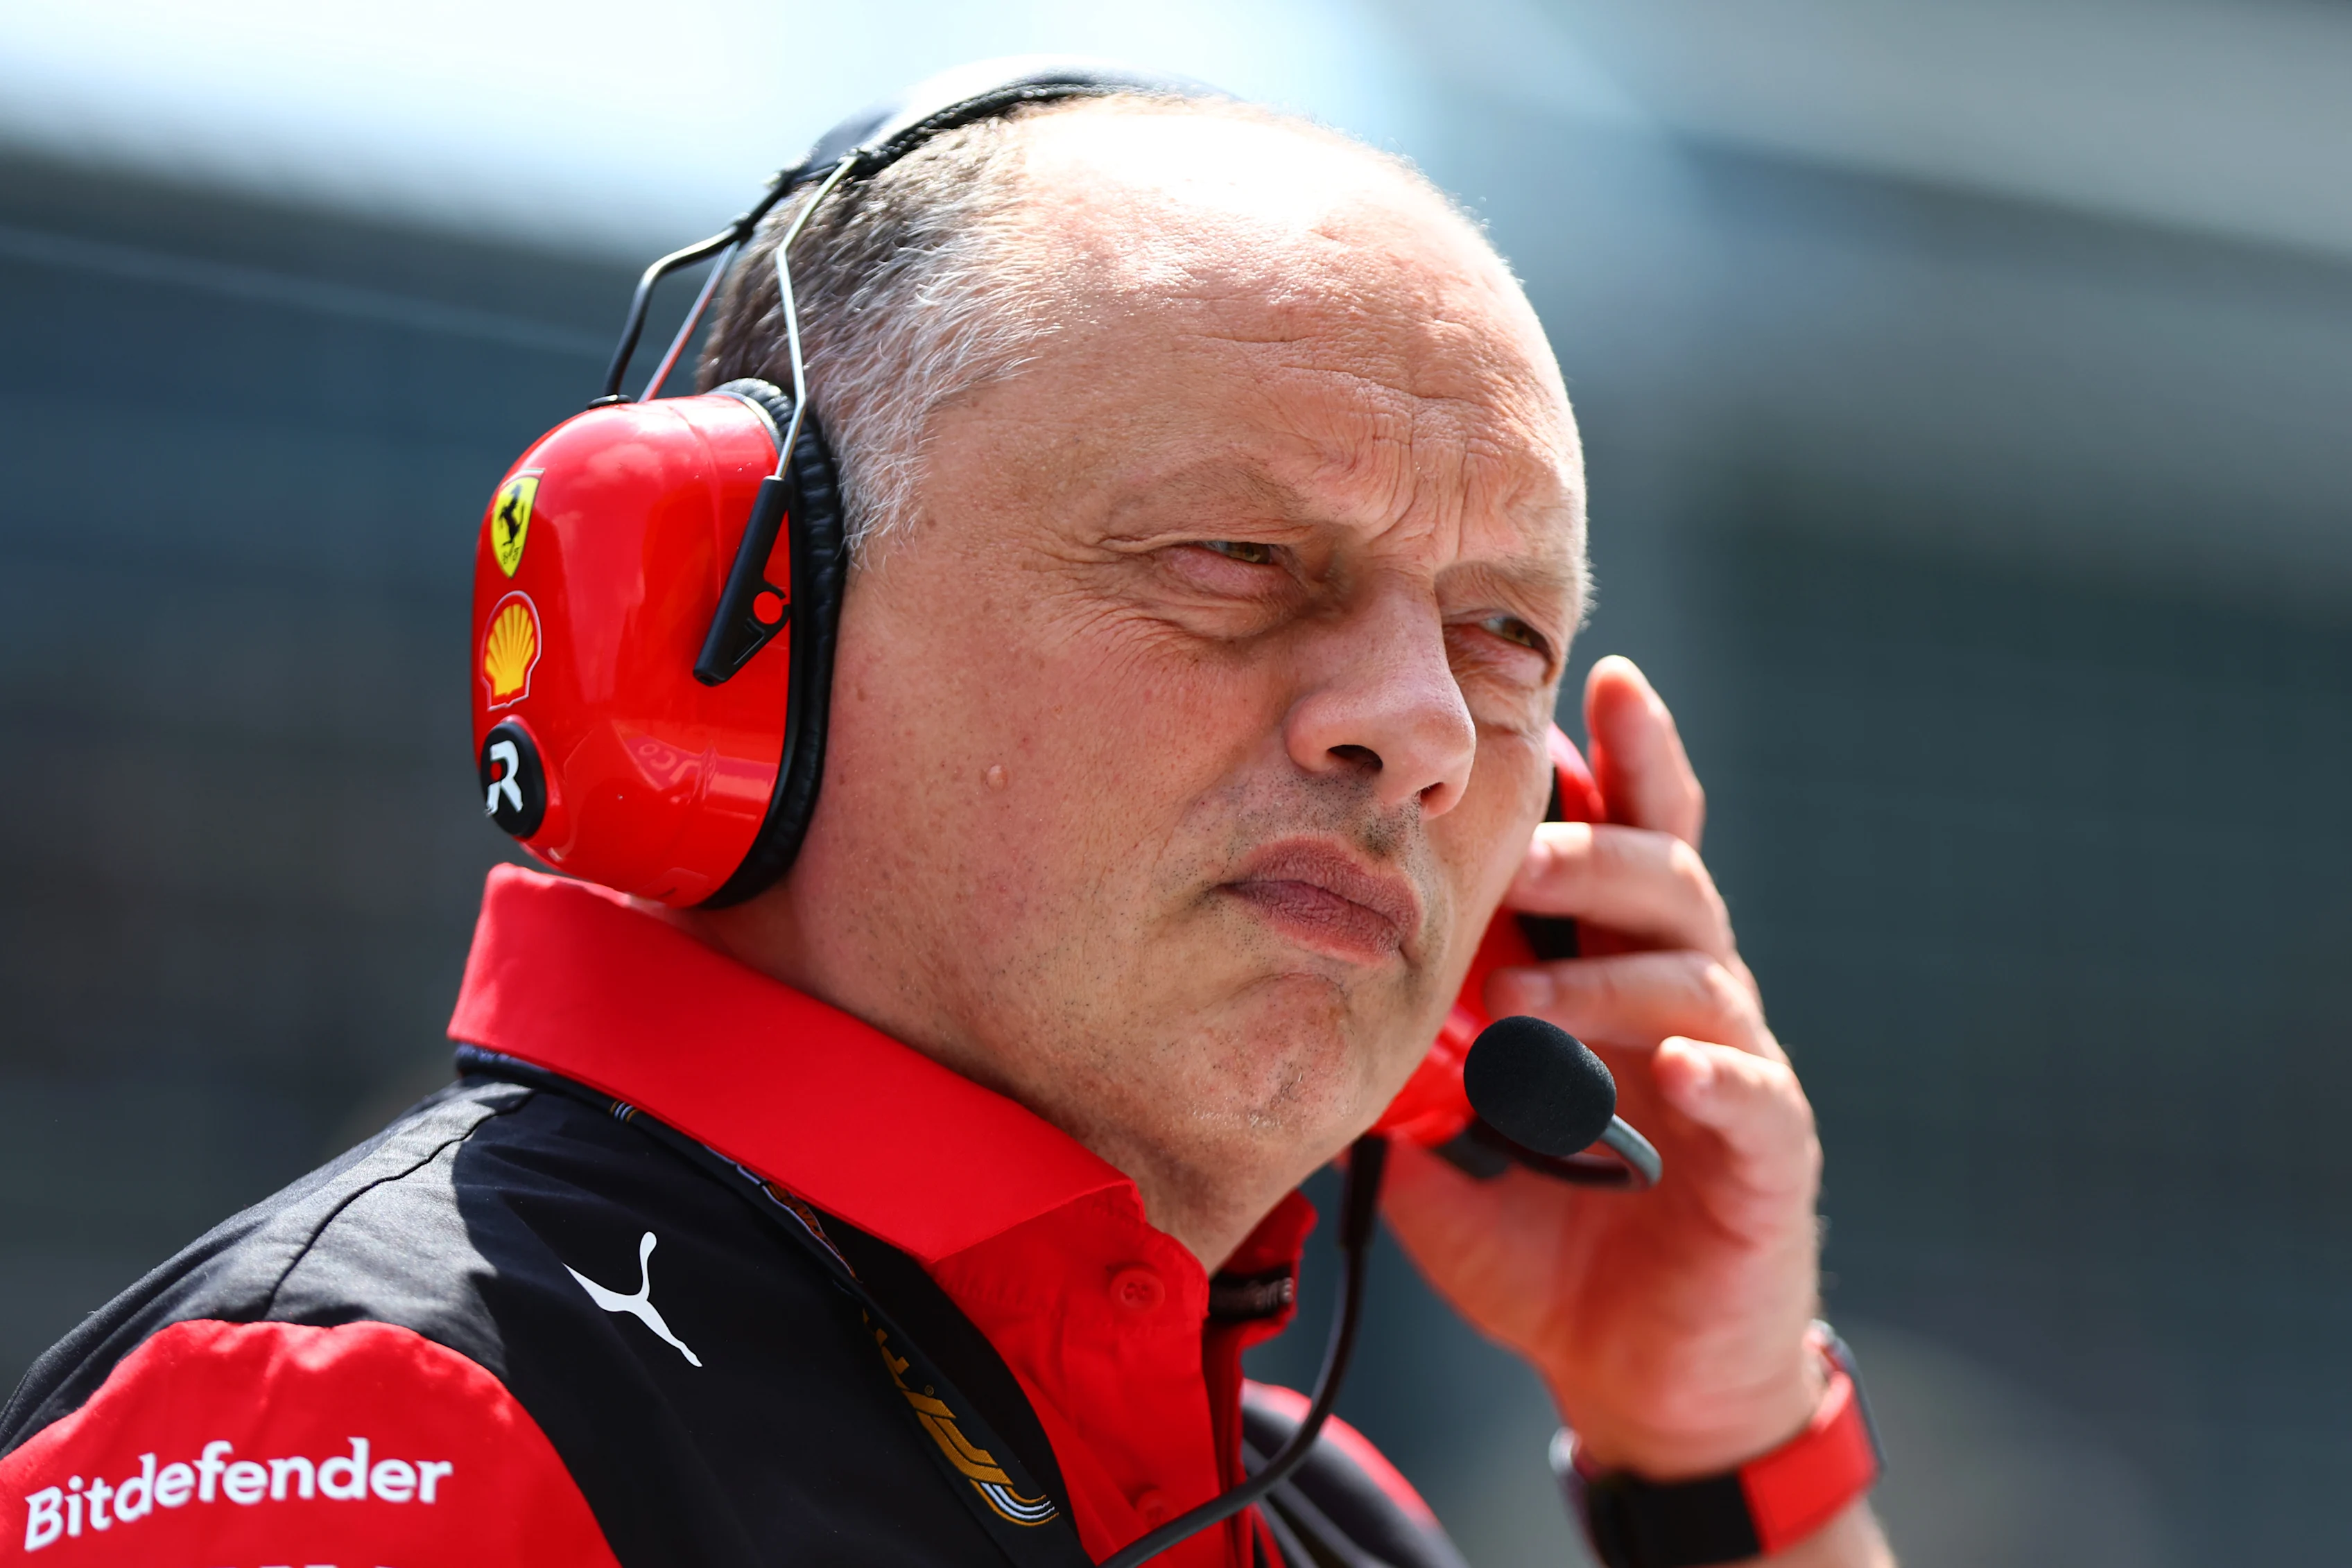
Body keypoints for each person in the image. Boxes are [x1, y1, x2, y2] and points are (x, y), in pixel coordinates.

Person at [0, 69, 1892, 1568]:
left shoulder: (1322, 1516)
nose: (1415, 729)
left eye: (1502, 636)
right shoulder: (361, 1429)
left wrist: (1721, 1446)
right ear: (730, 623)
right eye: (1233, 558)